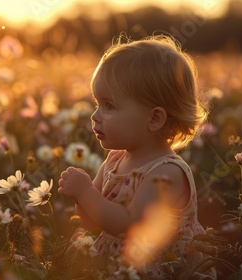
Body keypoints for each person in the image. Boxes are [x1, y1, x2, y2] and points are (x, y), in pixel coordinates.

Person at [58, 35, 216, 279]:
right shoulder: (114, 160)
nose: (95, 116)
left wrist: (85, 192)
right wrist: (80, 197)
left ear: (154, 119)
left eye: (109, 105)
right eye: (97, 104)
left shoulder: (166, 172)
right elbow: (92, 222)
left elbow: (129, 226)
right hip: (118, 267)